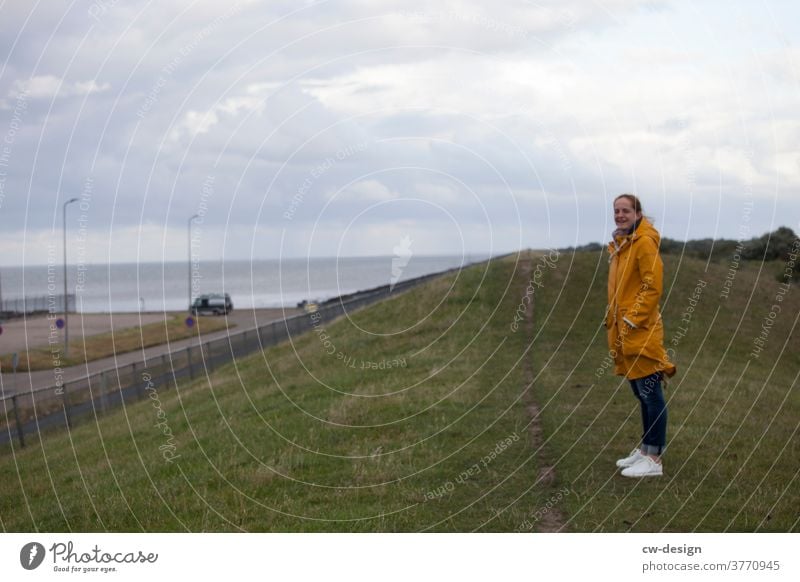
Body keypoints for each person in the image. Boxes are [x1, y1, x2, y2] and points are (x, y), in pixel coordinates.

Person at [606, 194, 676, 478]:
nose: (620, 215)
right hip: (625, 330)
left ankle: (654, 459)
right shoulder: (624, 245)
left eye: (625, 210)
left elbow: (652, 285)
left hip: (641, 330)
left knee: (651, 394)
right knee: (641, 393)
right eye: (616, 211)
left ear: (638, 213)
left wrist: (632, 318)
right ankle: (646, 450)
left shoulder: (644, 243)